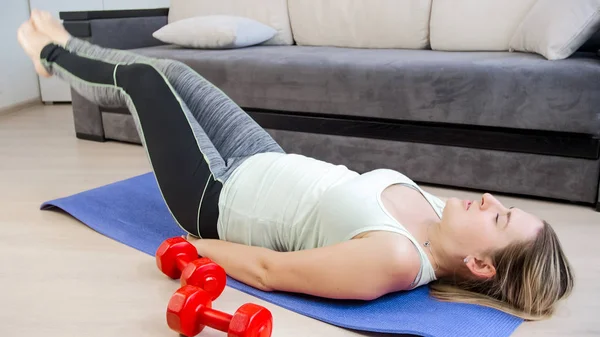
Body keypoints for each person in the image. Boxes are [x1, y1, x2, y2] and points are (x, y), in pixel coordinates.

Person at [18, 10, 573, 321]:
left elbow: (269, 272)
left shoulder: (398, 258)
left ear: (479, 265)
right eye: (507, 205)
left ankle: (52, 57)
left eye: (500, 220)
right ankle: (71, 46)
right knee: (176, 73)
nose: (491, 201)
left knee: (147, 83)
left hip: (214, 195)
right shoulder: (438, 216)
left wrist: (197, 246)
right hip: (262, 159)